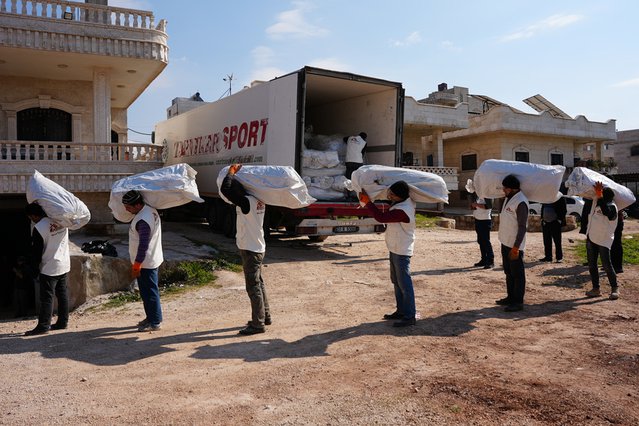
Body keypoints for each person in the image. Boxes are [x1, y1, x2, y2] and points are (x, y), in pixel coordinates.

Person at [221, 163, 271, 335]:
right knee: (259, 283)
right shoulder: (259, 201)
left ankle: (258, 324)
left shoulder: (246, 202)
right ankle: (265, 316)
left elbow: (226, 189)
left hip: (250, 249)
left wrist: (231, 172)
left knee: (253, 286)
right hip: (258, 246)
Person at [359, 181, 417, 327]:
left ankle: (410, 316)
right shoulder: (401, 202)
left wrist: (368, 203)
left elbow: (382, 218)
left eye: (392, 194)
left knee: (404, 283)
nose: (389, 195)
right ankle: (401, 311)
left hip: (402, 250)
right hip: (395, 247)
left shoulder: (404, 210)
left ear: (400, 196)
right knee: (397, 282)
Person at [24, 202, 70, 336]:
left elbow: (36, 253)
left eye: (31, 217)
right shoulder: (61, 221)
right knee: (62, 295)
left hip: (49, 267)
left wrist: (34, 269)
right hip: (64, 263)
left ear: (33, 215)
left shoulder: (39, 228)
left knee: (47, 297)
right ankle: (63, 322)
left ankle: (43, 326)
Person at [122, 190, 164, 331]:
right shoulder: (150, 210)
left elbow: (143, 244)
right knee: (147, 291)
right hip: (151, 258)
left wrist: (137, 264)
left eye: (128, 206)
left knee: (149, 292)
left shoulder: (142, 220)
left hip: (146, 262)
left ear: (138, 204)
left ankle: (155, 322)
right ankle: (151, 317)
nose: (126, 209)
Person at [496, 175, 529, 312]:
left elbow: (522, 226)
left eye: (505, 188)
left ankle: (518, 302)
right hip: (505, 241)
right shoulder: (508, 199)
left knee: (517, 274)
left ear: (511, 188)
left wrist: (516, 247)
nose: (503, 190)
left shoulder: (521, 202)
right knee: (508, 272)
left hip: (514, 245)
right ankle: (510, 297)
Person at [585, 183, 619, 300]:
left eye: (602, 194)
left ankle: (615, 288)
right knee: (592, 265)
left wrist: (600, 197)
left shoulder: (613, 206)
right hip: (592, 238)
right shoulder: (597, 205)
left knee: (607, 265)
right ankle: (596, 289)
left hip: (604, 239)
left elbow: (608, 214)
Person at [539, 196, 567, 263]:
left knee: (557, 241)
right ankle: (548, 257)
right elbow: (543, 208)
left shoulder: (560, 197)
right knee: (546, 241)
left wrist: (559, 220)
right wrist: (542, 219)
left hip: (555, 222)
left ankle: (559, 258)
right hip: (546, 223)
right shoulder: (546, 197)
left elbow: (564, 210)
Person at [470, 194, 494, 269]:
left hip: (485, 220)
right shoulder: (478, 195)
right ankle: (484, 259)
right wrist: (473, 206)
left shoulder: (488, 194)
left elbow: (489, 206)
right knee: (480, 241)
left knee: (486, 241)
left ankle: (490, 261)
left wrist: (476, 205)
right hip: (478, 220)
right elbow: (475, 207)